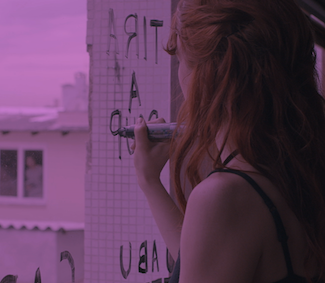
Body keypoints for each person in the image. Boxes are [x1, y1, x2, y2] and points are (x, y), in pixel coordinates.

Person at [131, 0, 325, 282]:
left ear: (207, 75)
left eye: (180, 60)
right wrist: (150, 181)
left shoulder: (224, 196)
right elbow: (208, 261)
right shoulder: (298, 172)